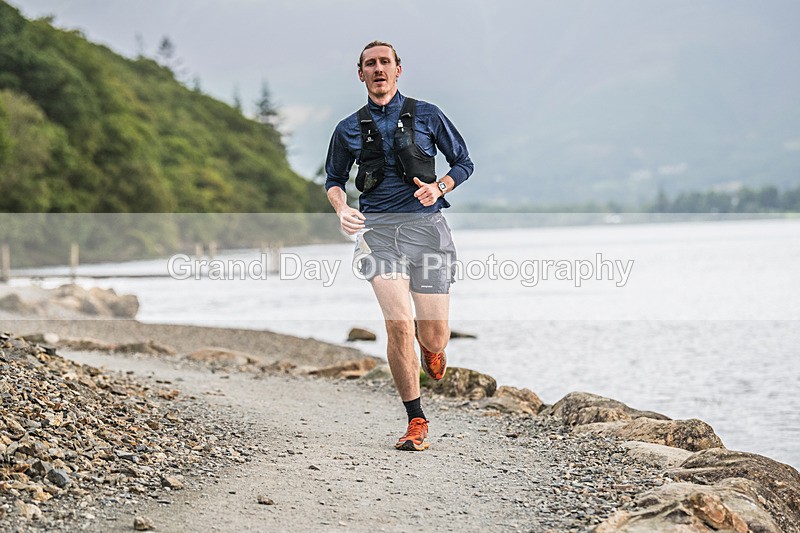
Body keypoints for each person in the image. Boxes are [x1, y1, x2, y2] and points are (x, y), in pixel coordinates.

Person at [325, 40, 473, 451]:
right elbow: (333, 180)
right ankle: (416, 419)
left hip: (428, 229)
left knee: (435, 335)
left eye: (384, 62)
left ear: (398, 69)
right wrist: (342, 209)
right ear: (360, 74)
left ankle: (434, 350)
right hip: (378, 234)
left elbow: (464, 162)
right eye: (370, 64)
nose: (378, 69)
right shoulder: (348, 128)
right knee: (397, 324)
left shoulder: (428, 114)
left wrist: (440, 186)